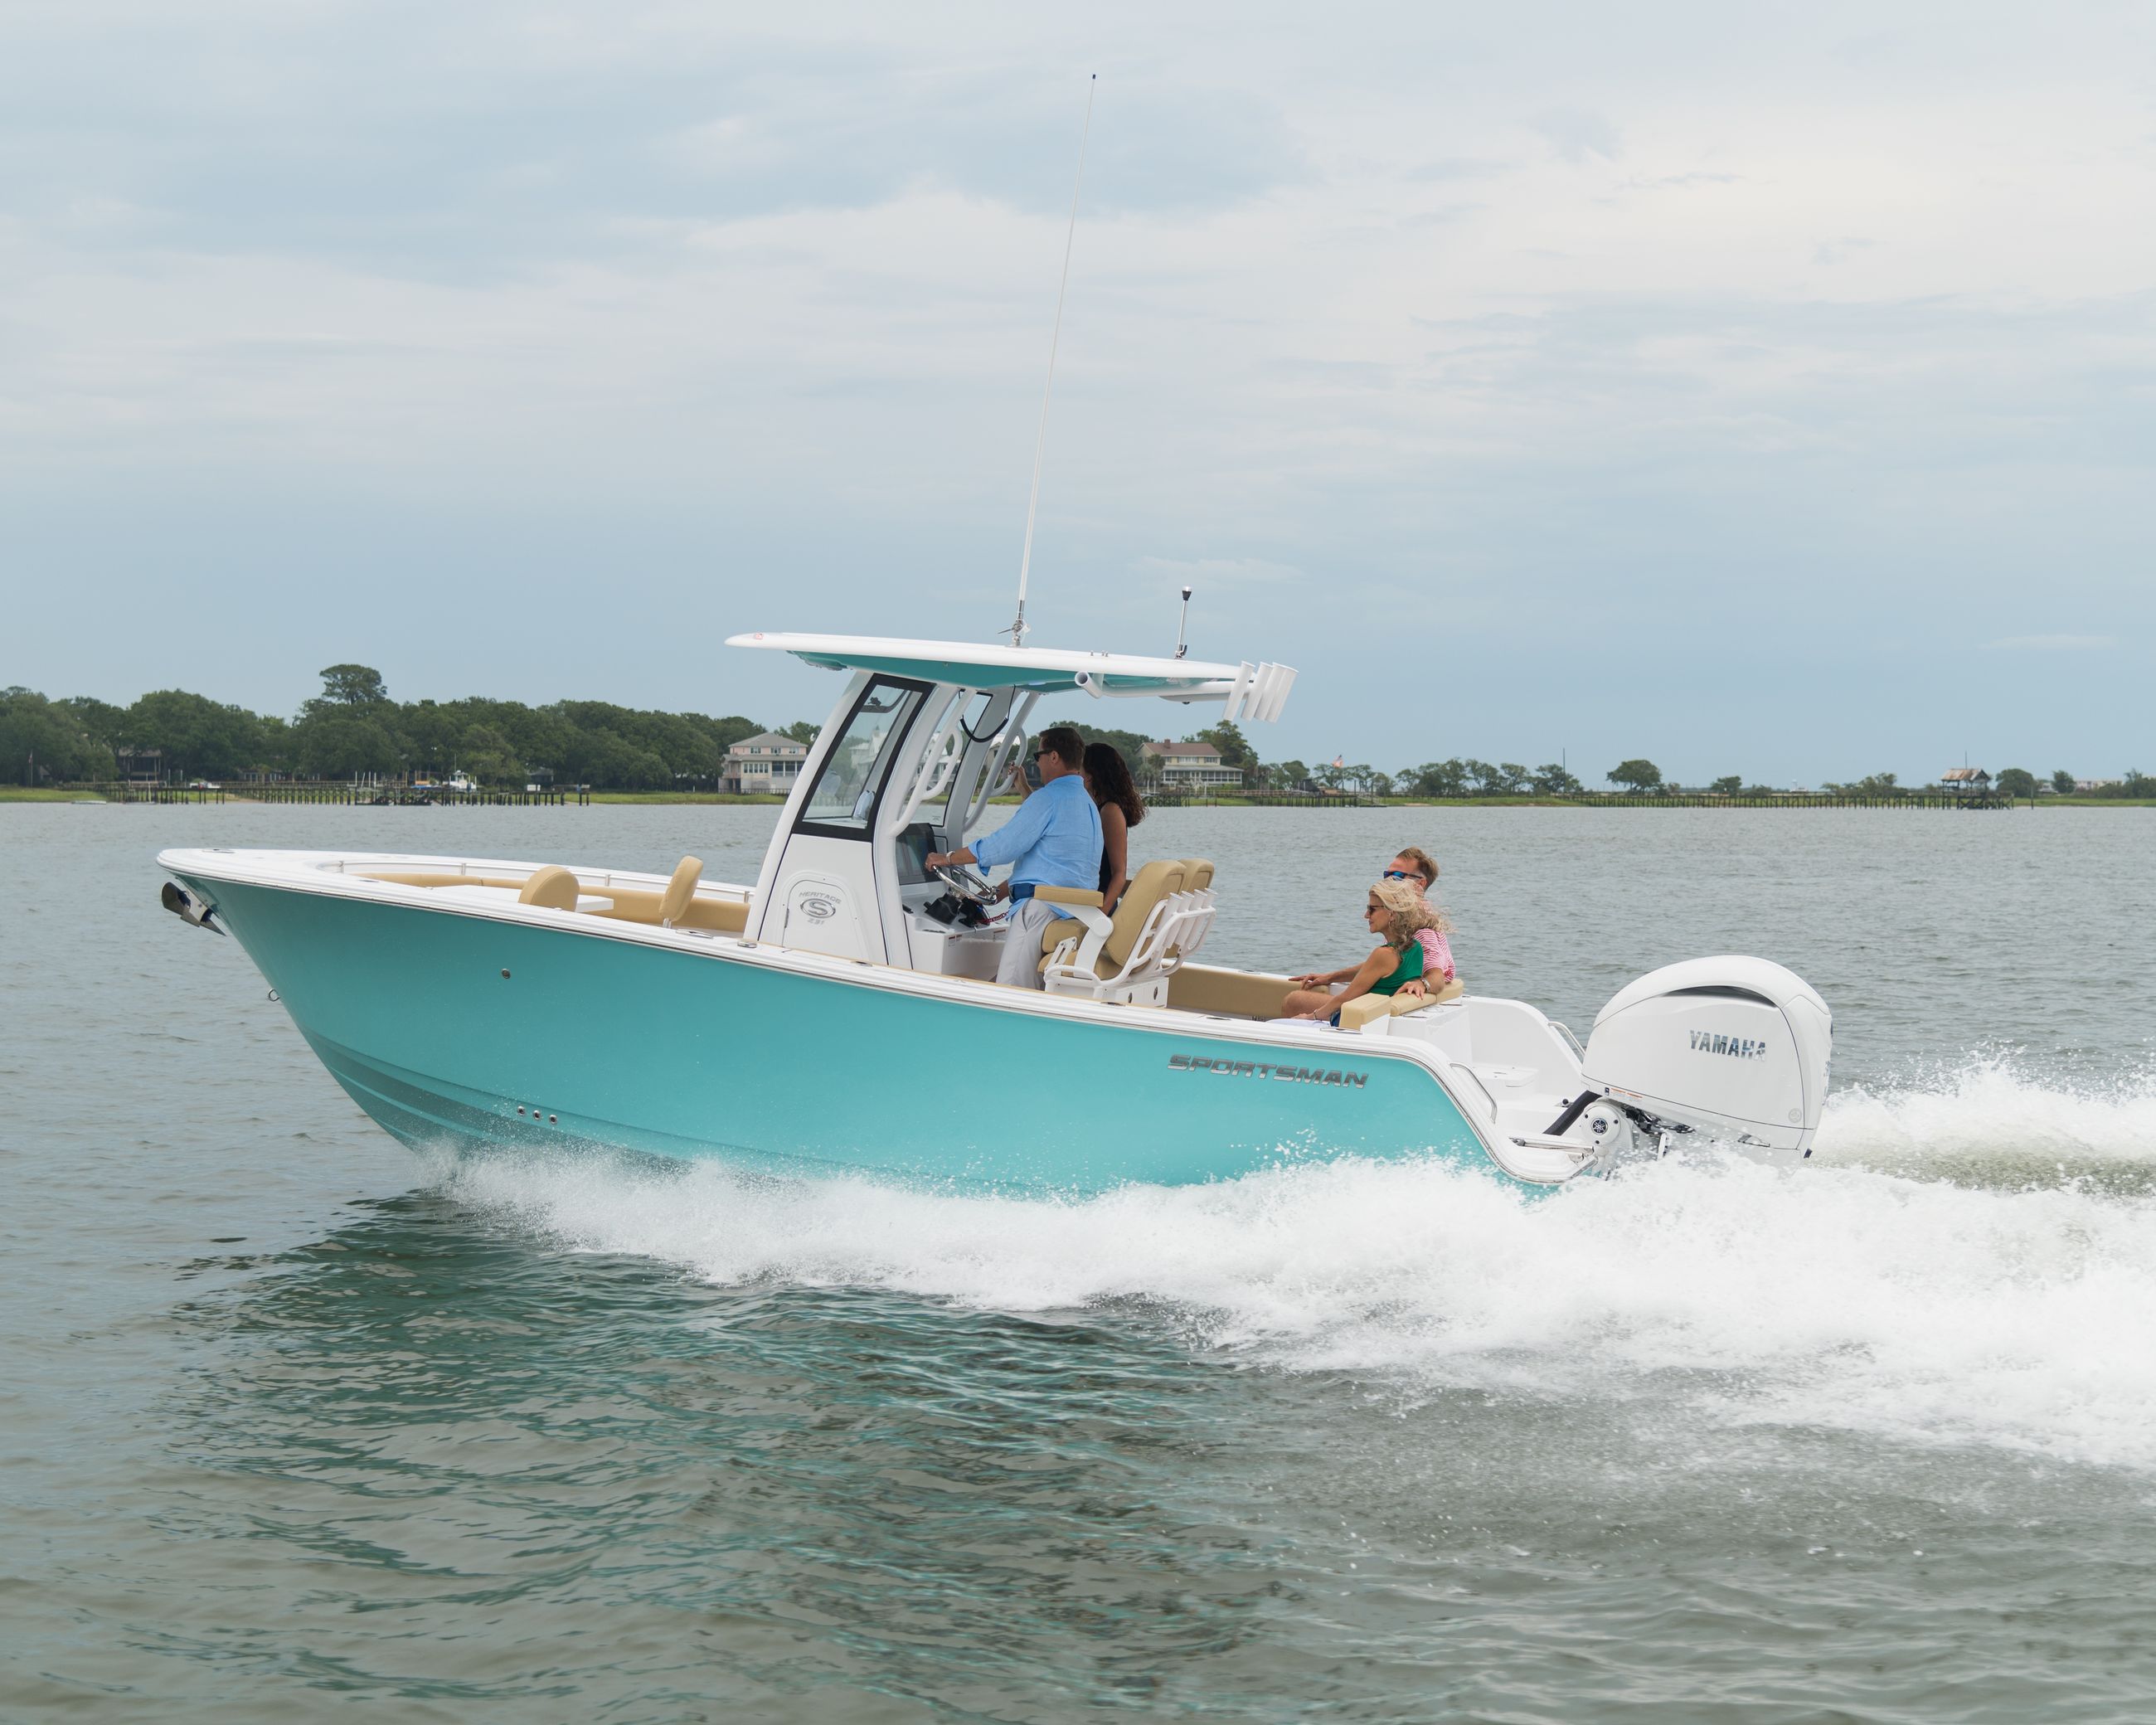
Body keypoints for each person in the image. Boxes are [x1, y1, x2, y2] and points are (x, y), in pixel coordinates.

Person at [926, 726, 1102, 989]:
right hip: (1070, 910)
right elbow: (1054, 865)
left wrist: (946, 858)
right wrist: (1002, 891)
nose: (1038, 763)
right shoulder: (1086, 803)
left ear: (1053, 757)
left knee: (1011, 990)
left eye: (1037, 755)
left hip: (1040, 911)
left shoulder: (1049, 798)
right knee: (1023, 987)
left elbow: (1002, 847)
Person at [1280, 880, 1433, 1021]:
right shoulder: (1415, 948)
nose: (1366, 915)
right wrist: (1330, 977)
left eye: (1371, 909)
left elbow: (1344, 999)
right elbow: (1372, 969)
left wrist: (1309, 1018)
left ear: (1391, 913)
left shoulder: (1383, 955)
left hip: (1357, 1019)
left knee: (1294, 1000)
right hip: (1378, 1016)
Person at [1380, 844, 1454, 999]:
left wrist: (1422, 984)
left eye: (1398, 876)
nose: (1388, 882)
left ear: (1420, 884)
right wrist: (1333, 977)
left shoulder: (1421, 924)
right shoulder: (1401, 917)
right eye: (1387, 875)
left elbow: (1437, 977)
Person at [1081, 741, 1144, 908]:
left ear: (1089, 776)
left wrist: (1100, 916)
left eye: (1078, 769)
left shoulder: (1110, 811)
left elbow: (1119, 873)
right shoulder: (1096, 808)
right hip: (1087, 902)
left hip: (1098, 905)